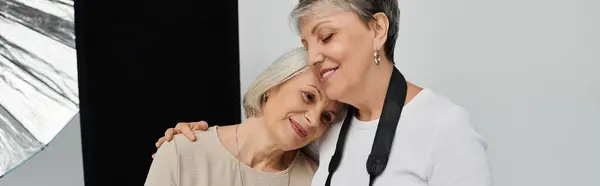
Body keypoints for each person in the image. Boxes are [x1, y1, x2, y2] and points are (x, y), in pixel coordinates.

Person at [153, 0, 493, 186]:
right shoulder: (329, 133)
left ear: (377, 29)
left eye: (326, 36)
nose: (314, 56)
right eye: (307, 43)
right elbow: (262, 143)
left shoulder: (444, 127)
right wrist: (188, 140)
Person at [144, 47, 344, 186]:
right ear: (272, 87)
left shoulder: (317, 180)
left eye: (327, 117)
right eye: (308, 97)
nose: (314, 119)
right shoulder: (183, 152)